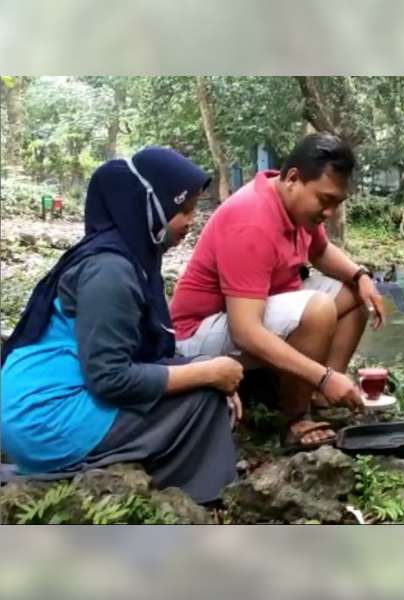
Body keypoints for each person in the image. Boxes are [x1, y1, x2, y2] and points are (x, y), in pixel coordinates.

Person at [1, 148, 244, 504]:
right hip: (45, 420)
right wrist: (208, 374)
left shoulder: (127, 258)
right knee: (202, 396)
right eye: (184, 209)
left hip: (44, 405)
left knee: (197, 375)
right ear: (152, 206)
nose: (192, 221)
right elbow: (109, 377)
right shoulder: (111, 271)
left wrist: (202, 369)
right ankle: (184, 500)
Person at [170, 133, 385, 450]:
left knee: (355, 293)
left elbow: (321, 252)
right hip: (195, 336)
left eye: (336, 204)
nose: (330, 212)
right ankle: (295, 419)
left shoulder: (298, 207)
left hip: (248, 311)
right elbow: (245, 332)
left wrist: (361, 275)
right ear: (294, 179)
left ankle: (322, 395)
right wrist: (322, 374)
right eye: (325, 201)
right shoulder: (251, 220)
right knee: (319, 309)